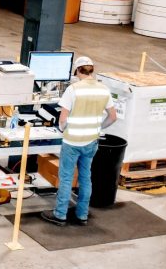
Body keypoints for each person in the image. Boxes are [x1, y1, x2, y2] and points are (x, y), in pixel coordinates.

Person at [41, 56, 117, 227]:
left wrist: (62, 129)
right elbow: (113, 117)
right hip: (91, 141)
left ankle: (60, 215)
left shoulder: (73, 89)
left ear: (77, 71)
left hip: (72, 141)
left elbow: (62, 118)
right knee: (86, 177)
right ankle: (82, 214)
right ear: (92, 70)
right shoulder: (104, 89)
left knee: (66, 178)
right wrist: (99, 128)